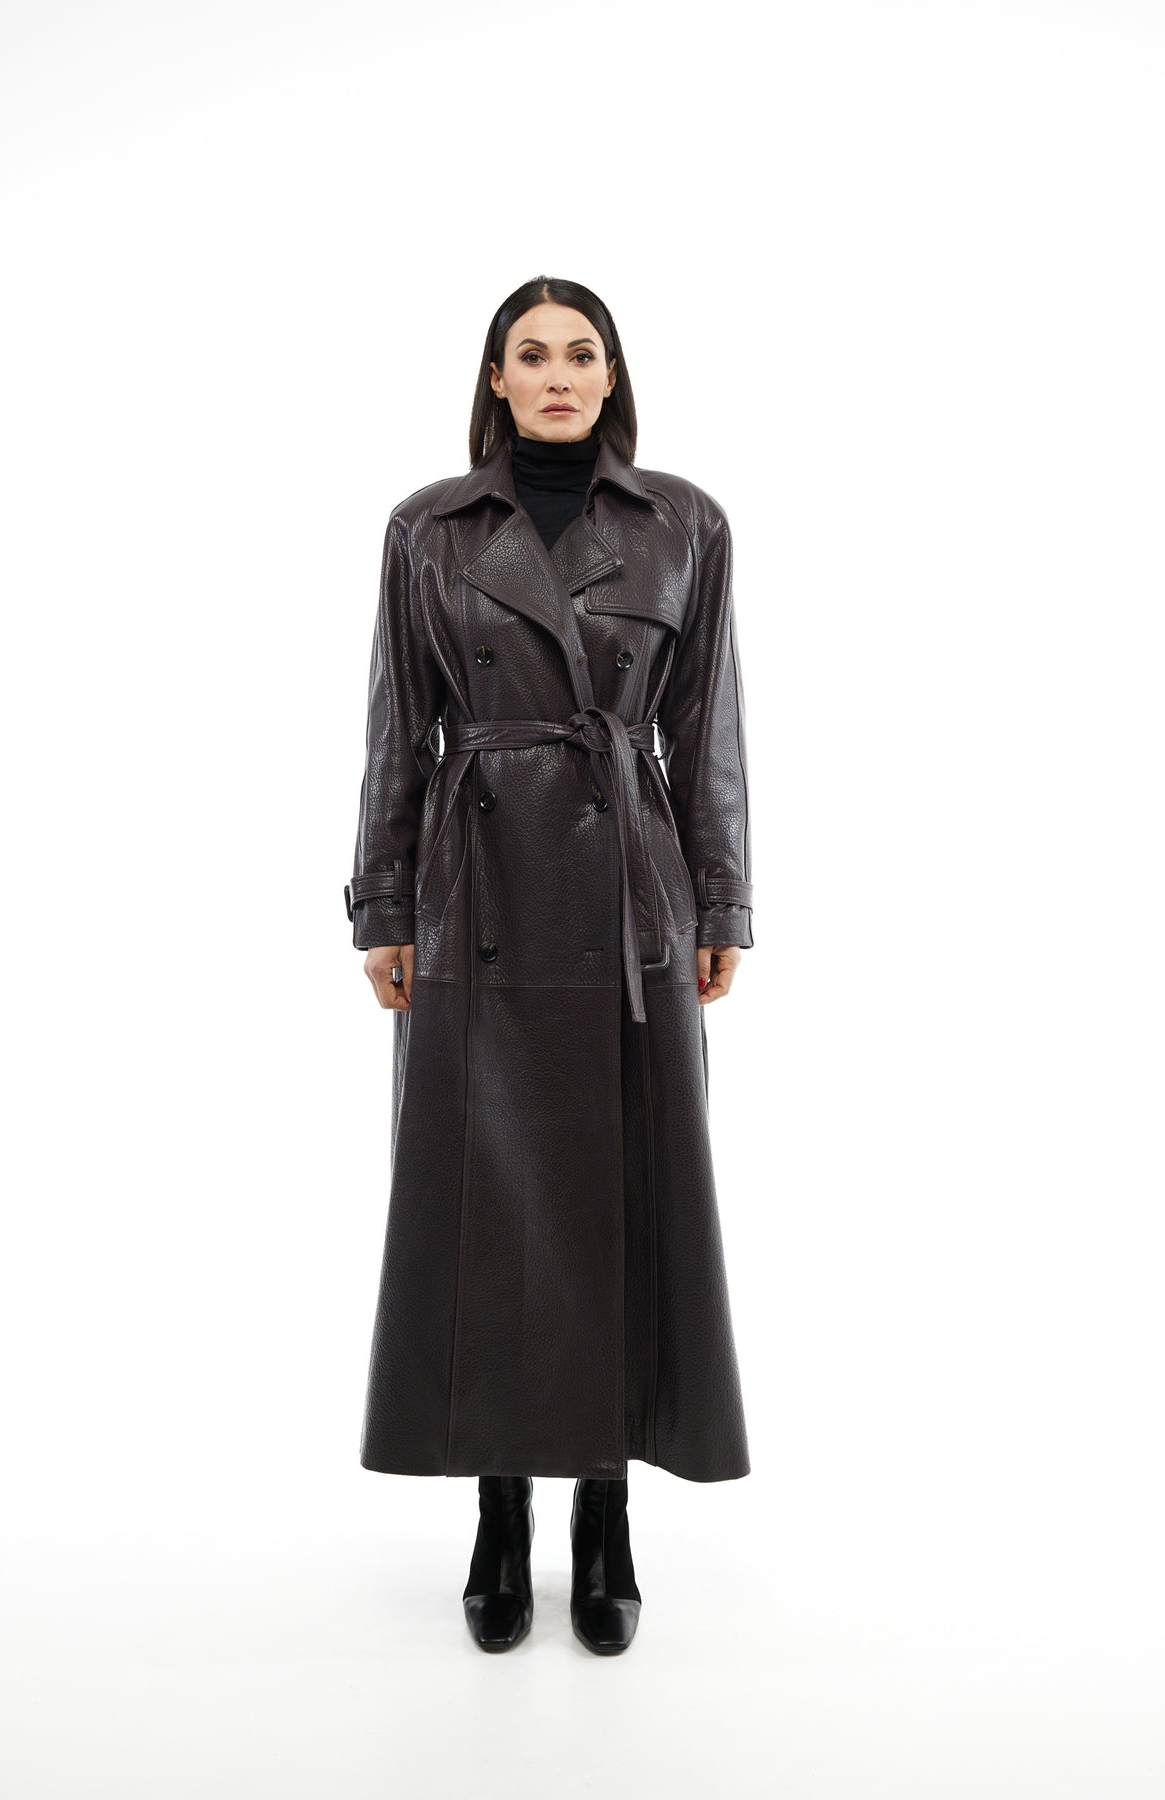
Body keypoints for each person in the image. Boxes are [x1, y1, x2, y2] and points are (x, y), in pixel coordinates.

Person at [345, 276, 755, 1655]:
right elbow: (396, 730)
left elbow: (705, 731)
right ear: (499, 379)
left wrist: (721, 900)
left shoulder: (683, 524)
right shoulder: (427, 529)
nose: (560, 373)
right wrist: (383, 905)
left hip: (630, 896)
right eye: (534, 354)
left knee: (622, 1197)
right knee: (484, 1207)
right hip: (475, 891)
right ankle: (499, 1514)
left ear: (612, 376)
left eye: (583, 353)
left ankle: (607, 1515)